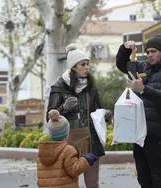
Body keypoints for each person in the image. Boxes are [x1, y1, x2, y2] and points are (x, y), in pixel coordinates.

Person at [116, 35, 161, 188]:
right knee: (144, 178)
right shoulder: (143, 67)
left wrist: (144, 89)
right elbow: (122, 64)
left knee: (159, 179)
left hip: (156, 133)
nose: (149, 55)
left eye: (153, 51)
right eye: (147, 52)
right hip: (139, 132)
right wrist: (125, 49)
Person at [47, 44, 111, 188]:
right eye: (83, 64)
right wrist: (64, 108)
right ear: (74, 67)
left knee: (92, 183)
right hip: (68, 143)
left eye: (88, 64)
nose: (87, 67)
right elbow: (49, 118)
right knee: (68, 183)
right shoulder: (59, 87)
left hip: (91, 141)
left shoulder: (91, 88)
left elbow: (97, 111)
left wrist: (106, 114)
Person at [37, 109, 97, 188]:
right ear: (67, 134)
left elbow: (40, 178)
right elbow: (74, 170)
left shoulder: (42, 151)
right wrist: (86, 159)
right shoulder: (68, 150)